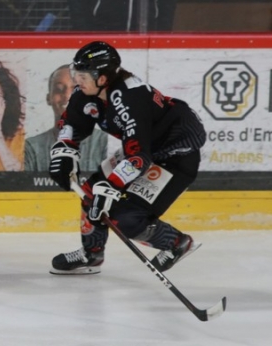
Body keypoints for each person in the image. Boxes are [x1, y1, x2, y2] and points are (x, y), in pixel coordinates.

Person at [47, 41, 206, 275]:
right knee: (91, 195)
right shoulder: (86, 93)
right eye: (76, 74)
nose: (77, 81)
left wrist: (111, 185)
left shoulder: (130, 98)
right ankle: (92, 255)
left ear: (102, 78)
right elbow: (71, 123)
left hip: (174, 156)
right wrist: (64, 151)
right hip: (143, 149)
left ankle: (176, 244)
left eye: (82, 75)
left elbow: (139, 158)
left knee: (126, 219)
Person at [24, 64, 108, 173]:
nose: (67, 96)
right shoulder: (31, 147)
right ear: (49, 98)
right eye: (59, 89)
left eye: (76, 89)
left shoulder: (104, 142)